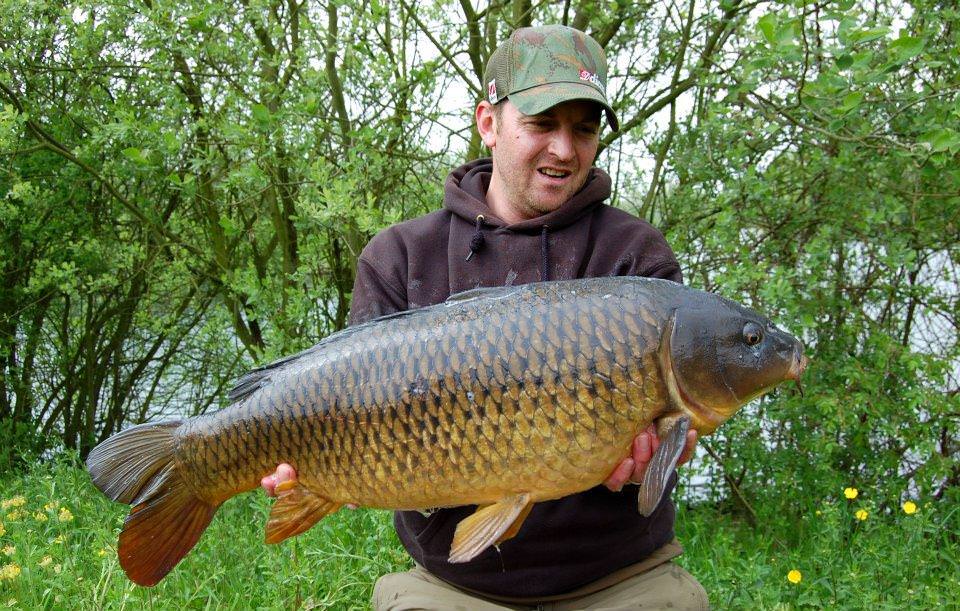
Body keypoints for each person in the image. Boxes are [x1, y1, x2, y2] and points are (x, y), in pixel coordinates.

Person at [262, 25, 707, 610]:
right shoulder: (400, 257)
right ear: (489, 124)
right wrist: (325, 471)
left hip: (619, 576)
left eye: (584, 128)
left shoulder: (635, 259)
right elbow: (349, 407)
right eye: (543, 124)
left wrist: (671, 445)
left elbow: (671, 439)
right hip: (453, 582)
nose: (565, 150)